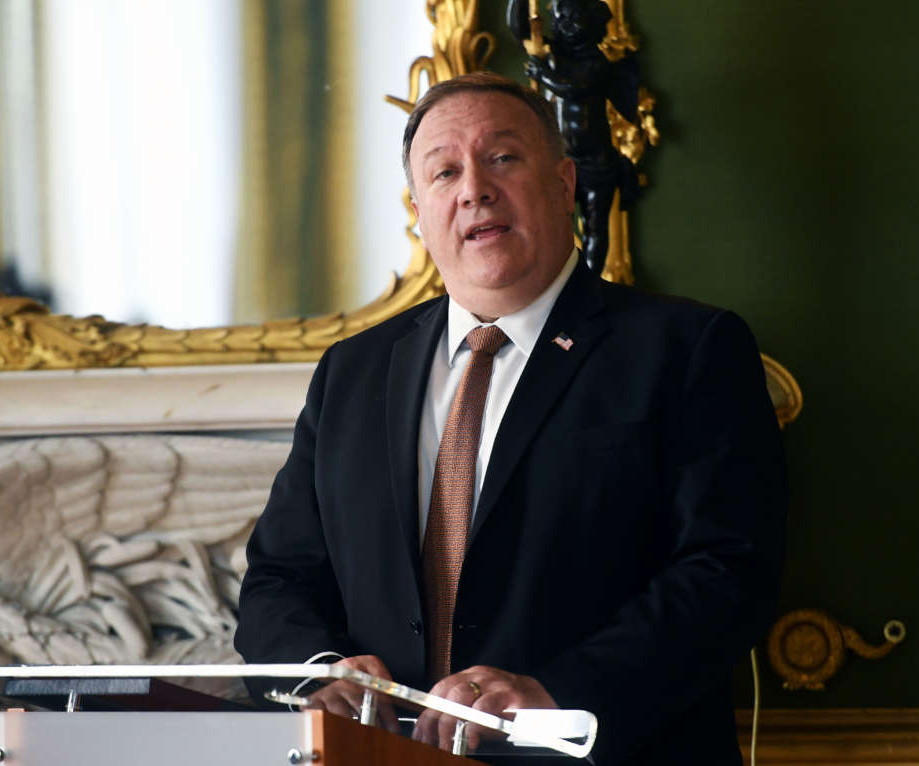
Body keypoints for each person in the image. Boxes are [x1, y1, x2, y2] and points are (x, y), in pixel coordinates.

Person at [236, 71, 786, 764]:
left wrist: (556, 693)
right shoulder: (354, 371)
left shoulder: (685, 348)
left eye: (501, 157)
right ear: (418, 211)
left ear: (561, 184)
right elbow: (279, 576)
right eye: (444, 172)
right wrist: (320, 672)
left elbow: (729, 569)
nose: (474, 189)